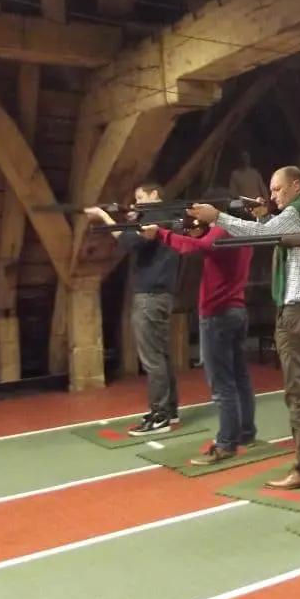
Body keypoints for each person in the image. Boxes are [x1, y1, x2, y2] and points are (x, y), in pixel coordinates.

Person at [187, 166, 300, 489]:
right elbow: (275, 231)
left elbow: (258, 235)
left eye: (277, 189)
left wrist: (217, 217)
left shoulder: (297, 210)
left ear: (295, 186)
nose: (272, 195)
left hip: (298, 311)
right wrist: (265, 216)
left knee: (298, 393)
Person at [140, 199, 256, 465]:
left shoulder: (223, 231)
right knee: (240, 378)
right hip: (237, 311)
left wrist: (161, 234)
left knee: (222, 385)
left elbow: (197, 247)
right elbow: (205, 245)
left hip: (217, 314)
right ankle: (245, 432)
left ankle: (226, 444)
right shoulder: (244, 231)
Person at [85, 183, 180, 436]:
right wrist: (133, 220)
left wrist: (104, 217)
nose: (136, 202)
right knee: (161, 355)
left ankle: (159, 415)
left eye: (140, 197)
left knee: (152, 358)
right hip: (162, 294)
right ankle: (169, 410)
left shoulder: (154, 216)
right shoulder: (164, 215)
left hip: (150, 295)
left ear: (154, 195)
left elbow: (130, 242)